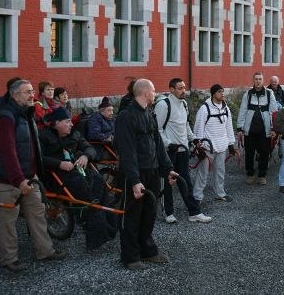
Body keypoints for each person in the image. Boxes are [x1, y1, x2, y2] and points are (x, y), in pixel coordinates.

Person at [0, 79, 66, 272]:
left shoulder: (27, 115)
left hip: (30, 177)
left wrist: (34, 174)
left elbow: (33, 147)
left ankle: (45, 251)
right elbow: (7, 152)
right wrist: (18, 180)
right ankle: (9, 259)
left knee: (38, 213)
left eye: (32, 91)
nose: (32, 95)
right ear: (15, 95)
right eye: (27, 92)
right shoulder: (6, 117)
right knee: (8, 221)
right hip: (11, 180)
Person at [115, 78, 179, 270]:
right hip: (134, 175)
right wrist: (134, 181)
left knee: (149, 212)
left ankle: (147, 251)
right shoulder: (126, 116)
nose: (155, 94)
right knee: (133, 215)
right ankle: (130, 257)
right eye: (153, 91)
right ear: (145, 93)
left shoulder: (149, 113)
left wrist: (168, 169)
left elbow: (158, 144)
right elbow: (127, 151)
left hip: (152, 171)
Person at [39, 107, 116, 250]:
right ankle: (94, 232)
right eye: (68, 121)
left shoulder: (75, 134)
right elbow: (38, 159)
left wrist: (85, 155)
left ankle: (109, 228)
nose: (71, 124)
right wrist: (59, 164)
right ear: (56, 123)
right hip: (56, 176)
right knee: (87, 194)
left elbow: (90, 148)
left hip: (78, 171)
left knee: (99, 182)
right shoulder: (43, 136)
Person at [154, 78, 212, 224]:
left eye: (184, 88)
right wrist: (168, 144)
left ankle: (194, 212)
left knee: (185, 181)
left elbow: (185, 125)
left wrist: (193, 139)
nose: (183, 91)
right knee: (168, 183)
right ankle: (168, 213)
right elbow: (157, 129)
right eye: (179, 88)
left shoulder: (184, 104)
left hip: (183, 150)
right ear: (171, 89)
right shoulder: (163, 105)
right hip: (168, 151)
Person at [192, 84, 236, 202]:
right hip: (207, 148)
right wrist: (199, 147)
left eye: (222, 91)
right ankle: (197, 196)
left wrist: (231, 144)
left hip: (222, 146)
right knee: (203, 173)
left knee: (220, 172)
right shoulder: (204, 109)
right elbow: (198, 127)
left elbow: (229, 127)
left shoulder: (226, 109)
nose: (222, 94)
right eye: (219, 92)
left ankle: (220, 193)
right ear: (213, 94)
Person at [236, 72, 278, 186]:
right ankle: (250, 174)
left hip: (265, 130)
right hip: (250, 130)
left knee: (264, 153)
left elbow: (274, 112)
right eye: (256, 79)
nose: (258, 81)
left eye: (260, 79)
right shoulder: (248, 94)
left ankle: (262, 175)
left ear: (263, 80)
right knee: (249, 153)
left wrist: (275, 128)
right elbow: (243, 111)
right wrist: (239, 128)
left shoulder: (269, 94)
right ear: (253, 80)